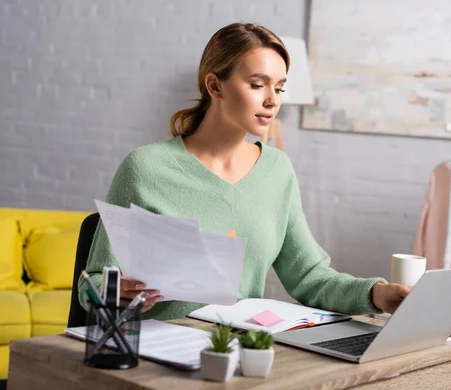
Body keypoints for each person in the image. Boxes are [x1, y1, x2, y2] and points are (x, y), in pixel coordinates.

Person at [78, 22, 411, 320]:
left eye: (279, 88)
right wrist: (114, 293)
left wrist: (378, 295)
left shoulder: (278, 171)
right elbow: (93, 282)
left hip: (239, 354)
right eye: (257, 85)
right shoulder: (145, 168)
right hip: (158, 357)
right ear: (215, 86)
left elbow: (309, 277)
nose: (272, 100)